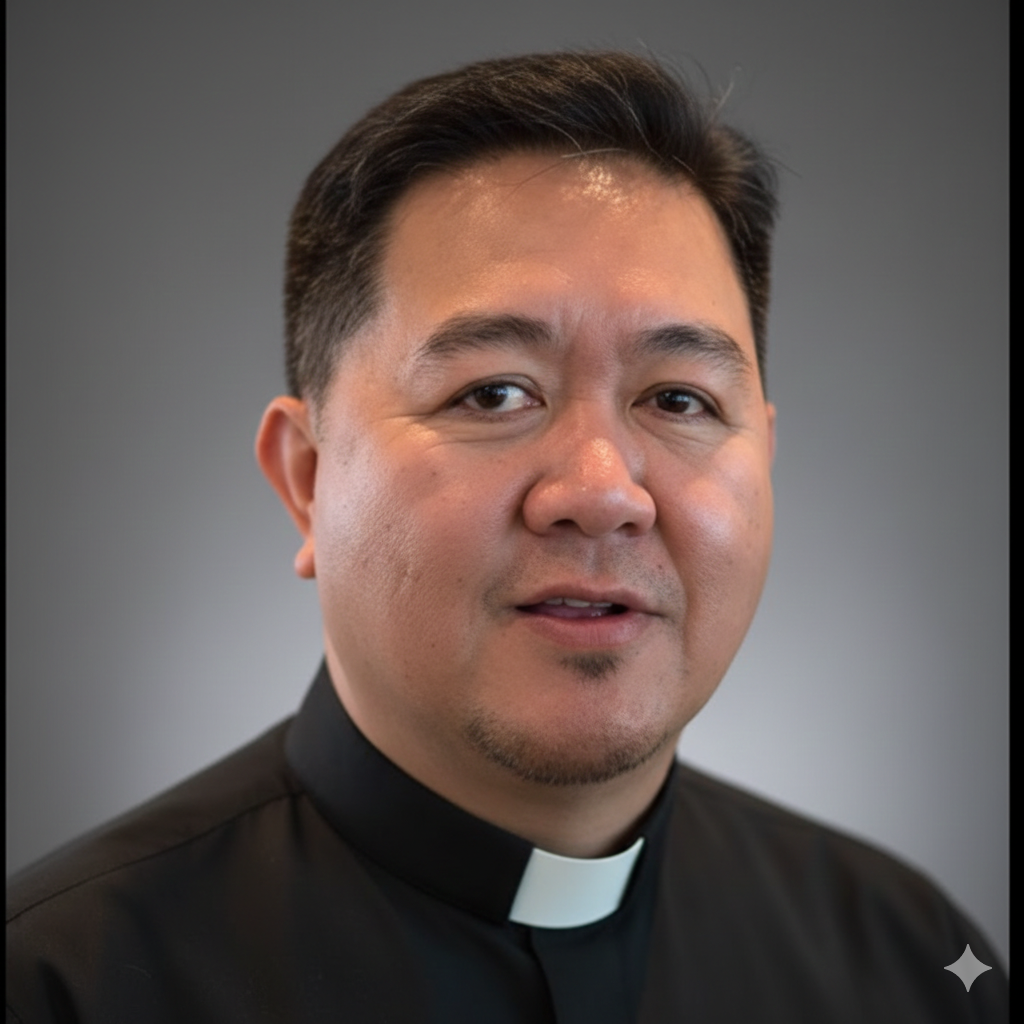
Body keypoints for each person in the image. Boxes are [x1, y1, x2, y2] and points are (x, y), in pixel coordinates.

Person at [6, 50, 1007, 1023]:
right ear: (307, 479)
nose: (603, 492)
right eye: (494, 392)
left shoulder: (914, 959)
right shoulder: (60, 982)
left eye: (678, 398)